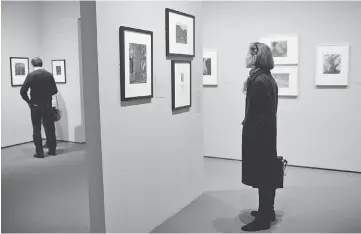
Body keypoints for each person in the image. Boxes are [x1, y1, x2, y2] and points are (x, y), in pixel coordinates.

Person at [241, 42, 280, 231]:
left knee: (263, 174)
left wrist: (251, 131)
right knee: (267, 173)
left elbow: (262, 115)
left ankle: (264, 219)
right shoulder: (266, 78)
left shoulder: (258, 81)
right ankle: (267, 210)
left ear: (256, 57)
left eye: (247, 54)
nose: (245, 57)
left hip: (260, 137)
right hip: (266, 135)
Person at [20, 57, 58, 158]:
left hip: (35, 106)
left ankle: (40, 153)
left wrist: (29, 101)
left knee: (37, 129)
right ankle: (52, 150)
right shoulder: (49, 75)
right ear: (41, 63)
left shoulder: (31, 75)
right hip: (47, 105)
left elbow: (22, 91)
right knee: (50, 127)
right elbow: (54, 91)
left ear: (32, 64)